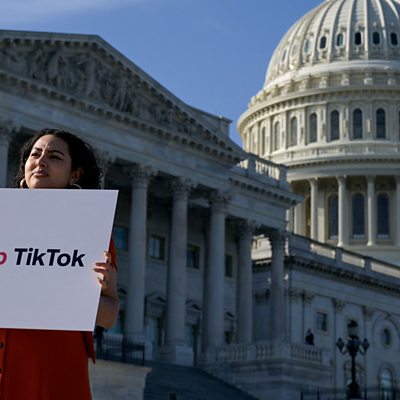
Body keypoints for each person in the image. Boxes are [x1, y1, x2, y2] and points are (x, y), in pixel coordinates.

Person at [0, 128, 119, 400]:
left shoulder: (92, 230)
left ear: (75, 174)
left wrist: (81, 292)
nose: (41, 161)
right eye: (35, 155)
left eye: (54, 157)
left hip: (55, 373)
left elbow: (108, 316)